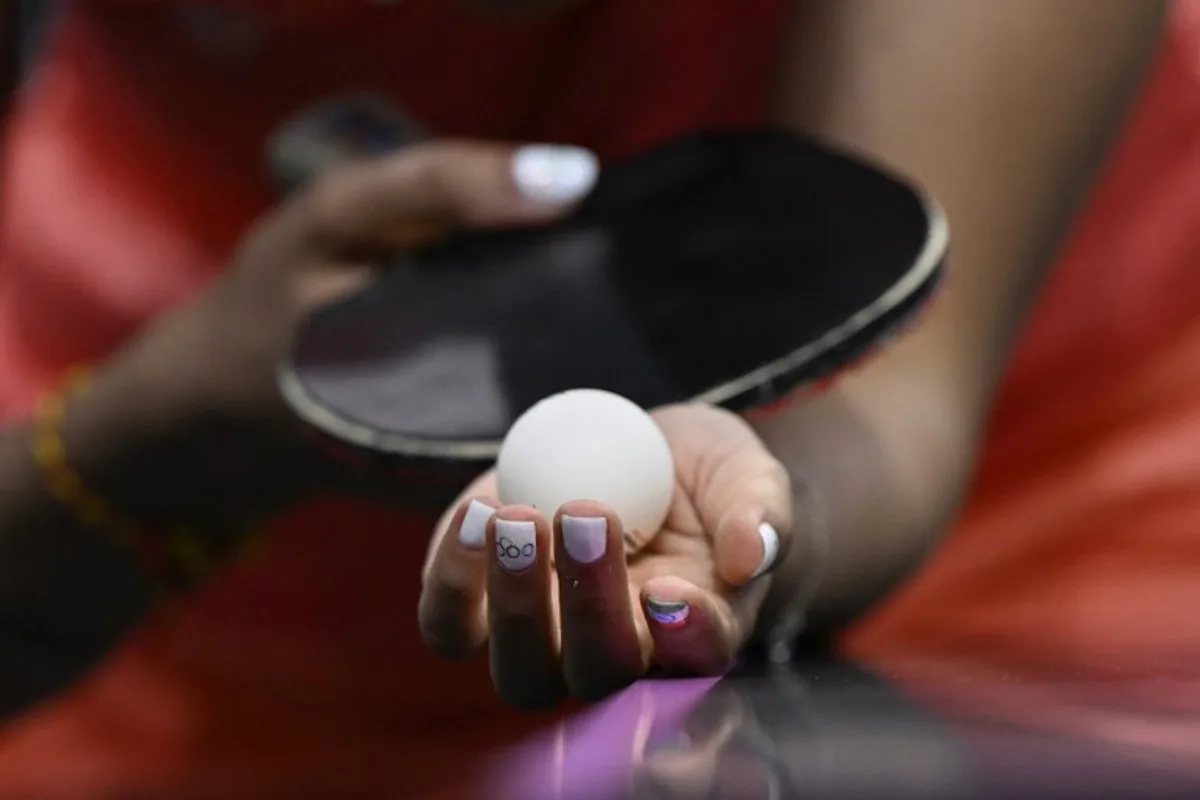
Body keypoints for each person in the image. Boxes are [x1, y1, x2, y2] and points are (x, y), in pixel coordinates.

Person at [0, 0, 1170, 796]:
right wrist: (148, 431)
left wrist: (739, 525)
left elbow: (900, 407)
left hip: (1054, 464)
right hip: (165, 438)